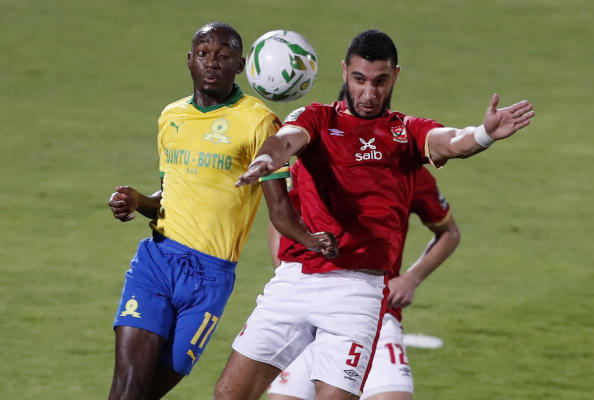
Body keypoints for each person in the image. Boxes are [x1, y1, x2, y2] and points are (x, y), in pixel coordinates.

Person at [213, 29, 534, 400]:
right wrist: (267, 159)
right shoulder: (317, 118)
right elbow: (285, 141)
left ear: (395, 76)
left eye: (380, 82)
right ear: (344, 72)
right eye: (359, 80)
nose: (369, 93)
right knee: (228, 395)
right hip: (295, 282)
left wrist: (483, 134)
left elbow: (451, 141)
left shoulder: (405, 131)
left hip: (357, 294)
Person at [105, 22, 304, 399]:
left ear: (240, 65)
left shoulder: (259, 122)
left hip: (210, 278)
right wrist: (137, 201)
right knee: (127, 389)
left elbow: (280, 205)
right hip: (157, 262)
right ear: (189, 60)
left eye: (223, 56)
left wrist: (309, 241)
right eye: (203, 54)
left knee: (147, 392)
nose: (212, 62)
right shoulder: (171, 117)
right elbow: (171, 197)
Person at [267, 162, 460, 400]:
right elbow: (279, 217)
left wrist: (411, 279)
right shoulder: (313, 160)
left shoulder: (410, 171)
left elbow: (449, 232)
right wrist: (285, 273)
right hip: (306, 304)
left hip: (372, 310)